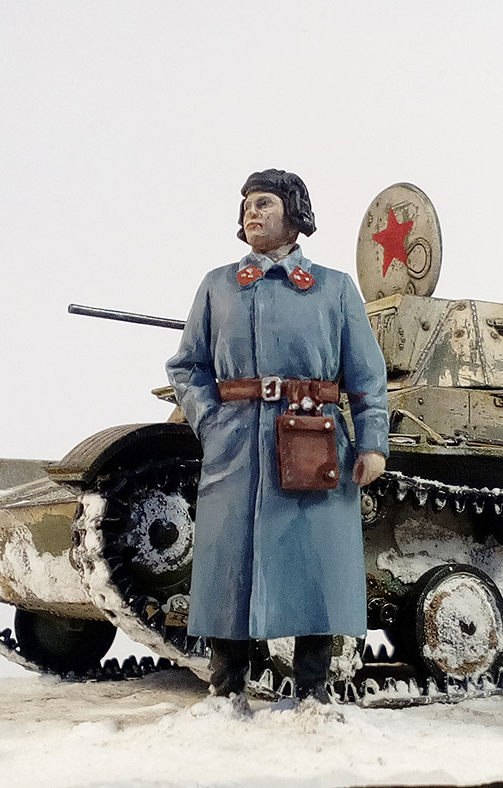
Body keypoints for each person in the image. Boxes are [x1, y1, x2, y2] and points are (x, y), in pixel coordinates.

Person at [165, 169, 389, 708]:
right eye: (247, 203)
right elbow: (187, 366)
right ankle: (226, 690)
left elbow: (366, 374)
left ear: (294, 213)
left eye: (264, 202)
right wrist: (211, 421)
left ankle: (313, 694)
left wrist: (373, 442)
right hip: (237, 443)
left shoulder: (335, 288)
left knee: (316, 567)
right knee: (229, 566)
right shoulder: (218, 285)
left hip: (314, 439)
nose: (252, 211)